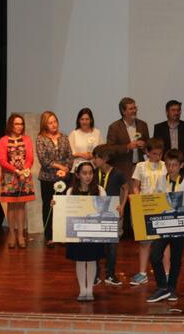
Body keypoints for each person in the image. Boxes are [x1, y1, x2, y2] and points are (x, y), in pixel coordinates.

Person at [147, 149, 184, 303]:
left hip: (179, 226)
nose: (171, 168)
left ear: (181, 165)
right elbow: (156, 199)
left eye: (174, 165)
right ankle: (162, 287)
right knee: (154, 255)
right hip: (163, 225)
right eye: (168, 165)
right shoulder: (161, 180)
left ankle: (172, 287)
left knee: (176, 258)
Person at [65, 162, 106, 302]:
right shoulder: (71, 191)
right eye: (84, 173)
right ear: (77, 175)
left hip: (94, 231)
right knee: (80, 260)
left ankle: (90, 290)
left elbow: (106, 209)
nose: (88, 176)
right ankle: (82, 289)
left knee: (92, 259)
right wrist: (56, 205)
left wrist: (115, 209)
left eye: (90, 173)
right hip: (77, 231)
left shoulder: (100, 190)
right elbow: (66, 211)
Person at [129, 138, 168, 286]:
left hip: (162, 207)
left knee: (165, 242)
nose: (157, 157)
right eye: (154, 154)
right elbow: (135, 186)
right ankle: (142, 273)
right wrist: (138, 202)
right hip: (144, 207)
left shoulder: (165, 166)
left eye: (160, 154)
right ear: (146, 152)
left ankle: (167, 272)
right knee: (145, 243)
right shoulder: (140, 166)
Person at [0, 114, 36, 249]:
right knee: (11, 206)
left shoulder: (27, 139)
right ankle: (12, 234)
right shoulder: (3, 140)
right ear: (11, 125)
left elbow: (30, 158)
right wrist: (16, 171)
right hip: (10, 178)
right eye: (16, 124)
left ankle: (21, 235)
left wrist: (24, 171)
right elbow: (2, 160)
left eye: (21, 124)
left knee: (21, 206)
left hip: (24, 177)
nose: (19, 126)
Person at [36, 111, 73, 247]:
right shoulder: (41, 138)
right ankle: (50, 236)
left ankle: (61, 235)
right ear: (45, 124)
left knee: (62, 207)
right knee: (49, 207)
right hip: (47, 179)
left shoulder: (64, 137)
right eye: (50, 122)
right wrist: (60, 167)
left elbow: (70, 156)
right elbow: (43, 160)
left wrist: (67, 168)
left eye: (55, 121)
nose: (53, 125)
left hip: (64, 178)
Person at [92, 145, 128, 286]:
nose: (94, 160)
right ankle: (95, 275)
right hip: (97, 213)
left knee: (112, 245)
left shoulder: (118, 173)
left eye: (96, 157)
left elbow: (126, 188)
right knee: (96, 244)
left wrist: (122, 205)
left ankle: (110, 274)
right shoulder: (93, 173)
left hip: (113, 213)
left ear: (105, 158)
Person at [106, 97, 150, 176]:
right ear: (123, 111)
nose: (134, 111)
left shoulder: (143, 125)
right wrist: (127, 147)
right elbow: (110, 149)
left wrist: (144, 145)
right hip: (123, 168)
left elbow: (149, 144)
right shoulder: (114, 127)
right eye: (131, 109)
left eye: (135, 108)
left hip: (141, 167)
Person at [153, 100, 184, 170]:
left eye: (178, 110)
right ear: (167, 112)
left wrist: (178, 157)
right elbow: (157, 146)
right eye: (173, 110)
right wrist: (169, 157)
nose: (176, 113)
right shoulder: (159, 127)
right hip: (165, 164)